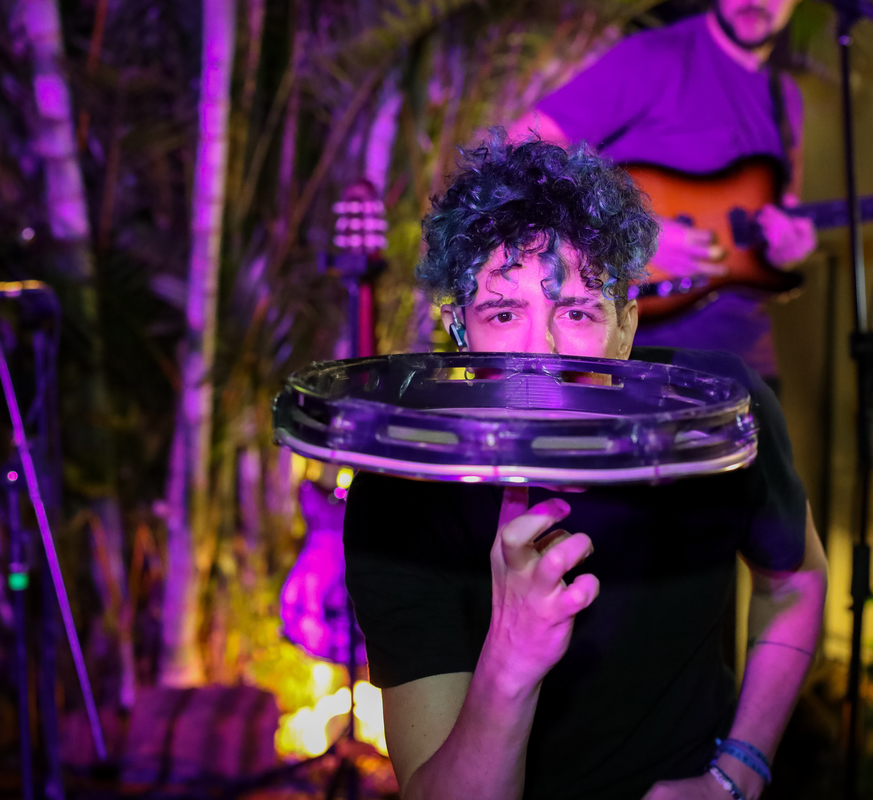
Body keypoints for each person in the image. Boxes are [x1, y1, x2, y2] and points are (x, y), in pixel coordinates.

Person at [342, 135, 827, 800]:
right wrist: (511, 660)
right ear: (458, 330)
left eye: (575, 312)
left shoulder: (716, 416)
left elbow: (797, 581)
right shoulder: (400, 490)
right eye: (503, 312)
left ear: (625, 327)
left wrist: (736, 775)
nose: (540, 353)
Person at [508, 0, 818, 382]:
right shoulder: (653, 56)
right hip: (637, 357)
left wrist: (786, 249)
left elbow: (774, 218)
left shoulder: (786, 98)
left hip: (745, 360)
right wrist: (629, 234)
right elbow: (525, 141)